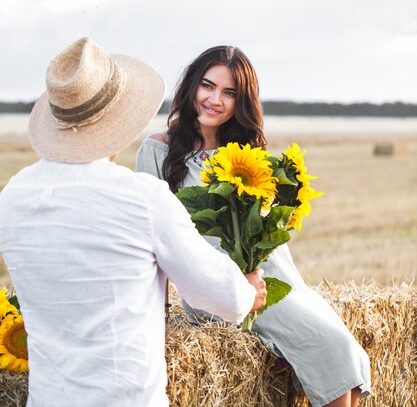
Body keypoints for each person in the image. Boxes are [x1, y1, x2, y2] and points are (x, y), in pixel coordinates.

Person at [0, 38, 268, 407]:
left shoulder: (13, 197)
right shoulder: (144, 199)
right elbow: (220, 295)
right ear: (120, 122)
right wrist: (248, 291)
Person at [136, 45, 372, 407]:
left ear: (242, 101)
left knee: (345, 356)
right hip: (218, 288)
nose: (215, 99)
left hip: (273, 279)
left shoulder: (246, 152)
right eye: (207, 86)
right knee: (333, 348)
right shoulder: (158, 150)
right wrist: (159, 318)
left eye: (230, 93)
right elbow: (149, 238)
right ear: (191, 88)